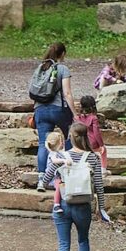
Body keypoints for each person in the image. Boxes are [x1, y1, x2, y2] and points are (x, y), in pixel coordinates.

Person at [43, 121, 110, 251]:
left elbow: (45, 179)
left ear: (70, 138)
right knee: (83, 240)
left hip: (63, 204)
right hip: (83, 206)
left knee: (64, 244)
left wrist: (53, 171)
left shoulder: (62, 156)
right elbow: (99, 186)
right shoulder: (93, 157)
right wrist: (101, 208)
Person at [32, 41, 77, 192]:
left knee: (43, 143)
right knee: (69, 137)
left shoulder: (40, 68)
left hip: (40, 109)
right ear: (62, 54)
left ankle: (41, 180)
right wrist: (75, 114)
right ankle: (71, 173)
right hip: (59, 109)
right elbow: (67, 93)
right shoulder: (62, 68)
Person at [76, 95, 108, 174]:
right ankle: (103, 169)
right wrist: (101, 145)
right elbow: (96, 132)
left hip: (81, 142)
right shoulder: (93, 118)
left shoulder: (77, 117)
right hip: (92, 142)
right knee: (103, 151)